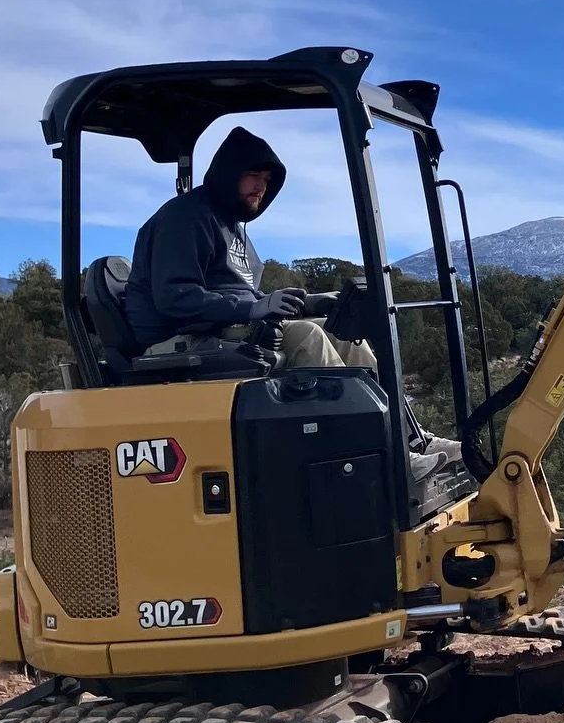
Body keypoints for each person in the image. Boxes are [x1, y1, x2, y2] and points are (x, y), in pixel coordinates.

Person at [125, 126, 461, 482]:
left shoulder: (234, 228)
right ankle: (389, 458)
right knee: (306, 339)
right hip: (178, 342)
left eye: (266, 179)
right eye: (252, 175)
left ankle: (410, 439)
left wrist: (309, 303)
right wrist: (253, 310)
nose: (261, 186)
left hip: (222, 331)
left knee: (346, 335)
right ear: (227, 174)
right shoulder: (185, 218)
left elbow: (243, 296)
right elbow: (175, 297)